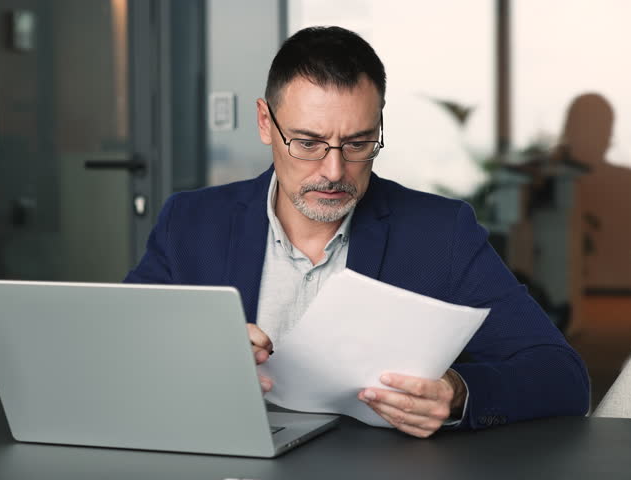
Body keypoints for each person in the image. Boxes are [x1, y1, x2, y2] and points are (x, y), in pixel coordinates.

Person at [125, 26, 590, 437]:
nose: (333, 171)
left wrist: (457, 393)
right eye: (308, 143)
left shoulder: (440, 233)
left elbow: (562, 376)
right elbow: (118, 353)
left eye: (358, 143)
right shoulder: (190, 223)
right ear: (265, 123)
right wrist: (193, 355)